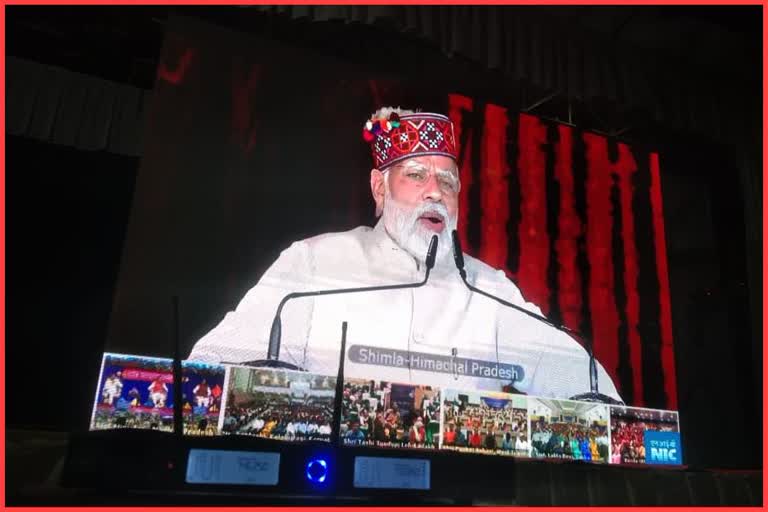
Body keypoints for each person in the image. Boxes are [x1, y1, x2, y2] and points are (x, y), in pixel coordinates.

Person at [187, 107, 621, 401]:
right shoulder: (316, 261)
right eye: (416, 175)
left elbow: (580, 379)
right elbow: (215, 366)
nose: (435, 191)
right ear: (380, 188)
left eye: (447, 182)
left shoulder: (488, 287)